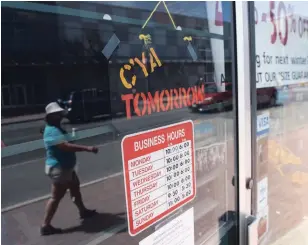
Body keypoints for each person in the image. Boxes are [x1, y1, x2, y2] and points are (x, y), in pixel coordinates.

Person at [41, 102, 99, 236]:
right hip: (59, 169)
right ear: (51, 116)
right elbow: (65, 146)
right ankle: (46, 225)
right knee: (56, 197)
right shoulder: (52, 131)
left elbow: (66, 142)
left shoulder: (56, 128)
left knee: (75, 188)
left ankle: (82, 211)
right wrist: (87, 148)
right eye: (58, 114)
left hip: (66, 167)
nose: (61, 116)